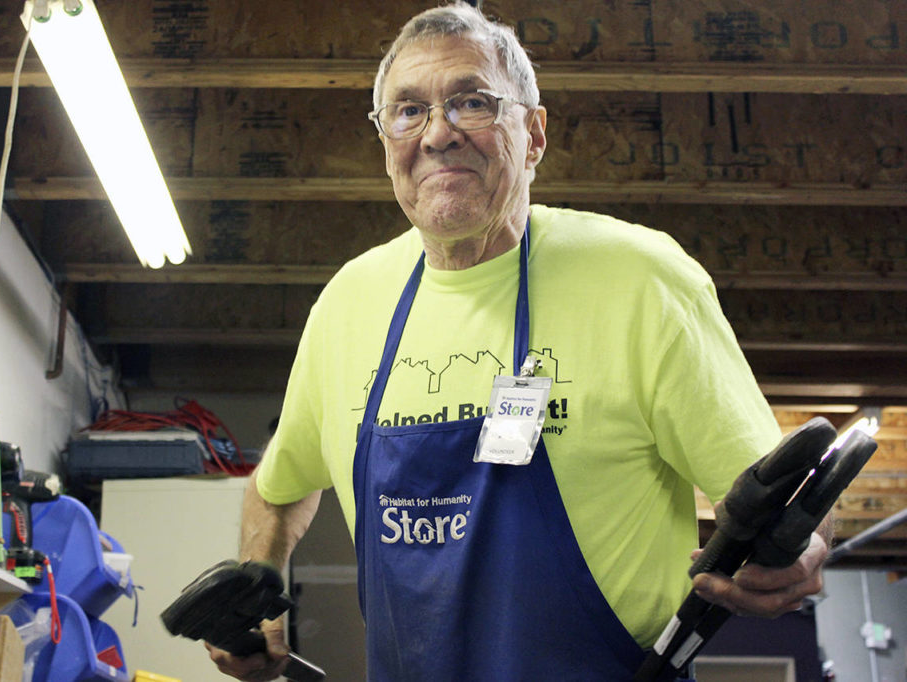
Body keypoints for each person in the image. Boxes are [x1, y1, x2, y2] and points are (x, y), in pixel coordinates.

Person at [206, 3, 831, 679]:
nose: (438, 134)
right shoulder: (348, 303)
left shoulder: (642, 280)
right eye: (407, 110)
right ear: (386, 140)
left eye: (471, 101)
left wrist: (800, 553)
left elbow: (788, 503)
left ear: (533, 133)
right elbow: (278, 486)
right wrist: (257, 597)